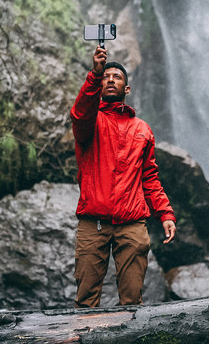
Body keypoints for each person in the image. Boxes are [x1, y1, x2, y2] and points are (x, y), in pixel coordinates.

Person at [70, 45, 176, 308]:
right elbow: (80, 112)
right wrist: (94, 74)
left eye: (117, 77)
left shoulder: (142, 130)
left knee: (132, 301)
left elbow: (150, 178)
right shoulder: (90, 122)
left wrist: (166, 214)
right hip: (93, 221)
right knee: (86, 300)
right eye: (106, 77)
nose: (110, 80)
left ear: (126, 89)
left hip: (131, 223)